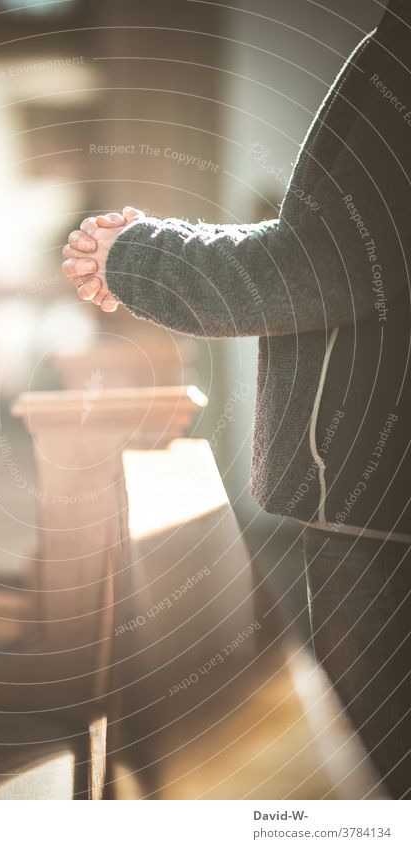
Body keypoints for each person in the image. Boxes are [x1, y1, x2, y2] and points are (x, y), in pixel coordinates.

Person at [61, 0, 411, 798]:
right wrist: (148, 242)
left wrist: (136, 253)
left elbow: (317, 263)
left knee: (373, 775)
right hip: (380, 492)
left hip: (377, 502)